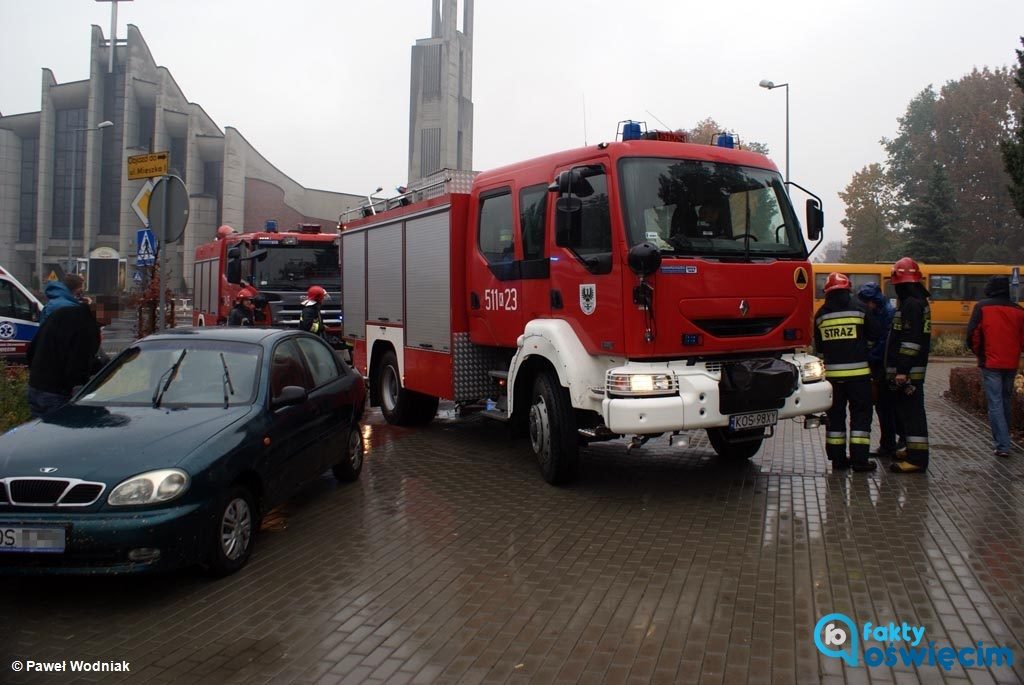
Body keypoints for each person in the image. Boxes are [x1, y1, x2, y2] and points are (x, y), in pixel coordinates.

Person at [814, 272, 879, 472]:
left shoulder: (821, 314)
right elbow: (874, 334)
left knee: (835, 418)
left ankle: (838, 460)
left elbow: (820, 348)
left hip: (833, 378)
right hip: (859, 376)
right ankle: (860, 461)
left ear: (827, 292)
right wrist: (862, 348)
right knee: (860, 416)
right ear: (848, 289)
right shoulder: (860, 309)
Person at [965, 275, 1024, 458]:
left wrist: (979, 353)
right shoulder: (1019, 310)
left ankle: (1002, 445)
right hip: (1011, 362)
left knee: (995, 402)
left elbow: (973, 334)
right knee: (1006, 400)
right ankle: (1006, 439)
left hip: (990, 362)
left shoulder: (982, 307)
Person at [886, 257, 932, 473]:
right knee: (910, 414)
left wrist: (902, 371)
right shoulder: (916, 301)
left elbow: (910, 341)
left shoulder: (912, 305)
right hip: (912, 371)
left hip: (909, 373)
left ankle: (917, 459)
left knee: (913, 416)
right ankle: (913, 451)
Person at [25, 296, 102, 418]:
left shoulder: (60, 313)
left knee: (39, 432)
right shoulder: (88, 327)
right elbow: (77, 368)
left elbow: (31, 349)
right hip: (56, 393)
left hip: (35, 387)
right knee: (58, 433)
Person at [856, 282, 904, 456]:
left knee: (887, 407)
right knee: (885, 408)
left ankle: (892, 443)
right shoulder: (878, 312)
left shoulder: (888, 315)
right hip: (880, 367)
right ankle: (891, 443)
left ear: (873, 300)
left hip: (885, 367)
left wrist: (868, 356)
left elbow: (884, 343)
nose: (866, 306)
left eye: (867, 302)